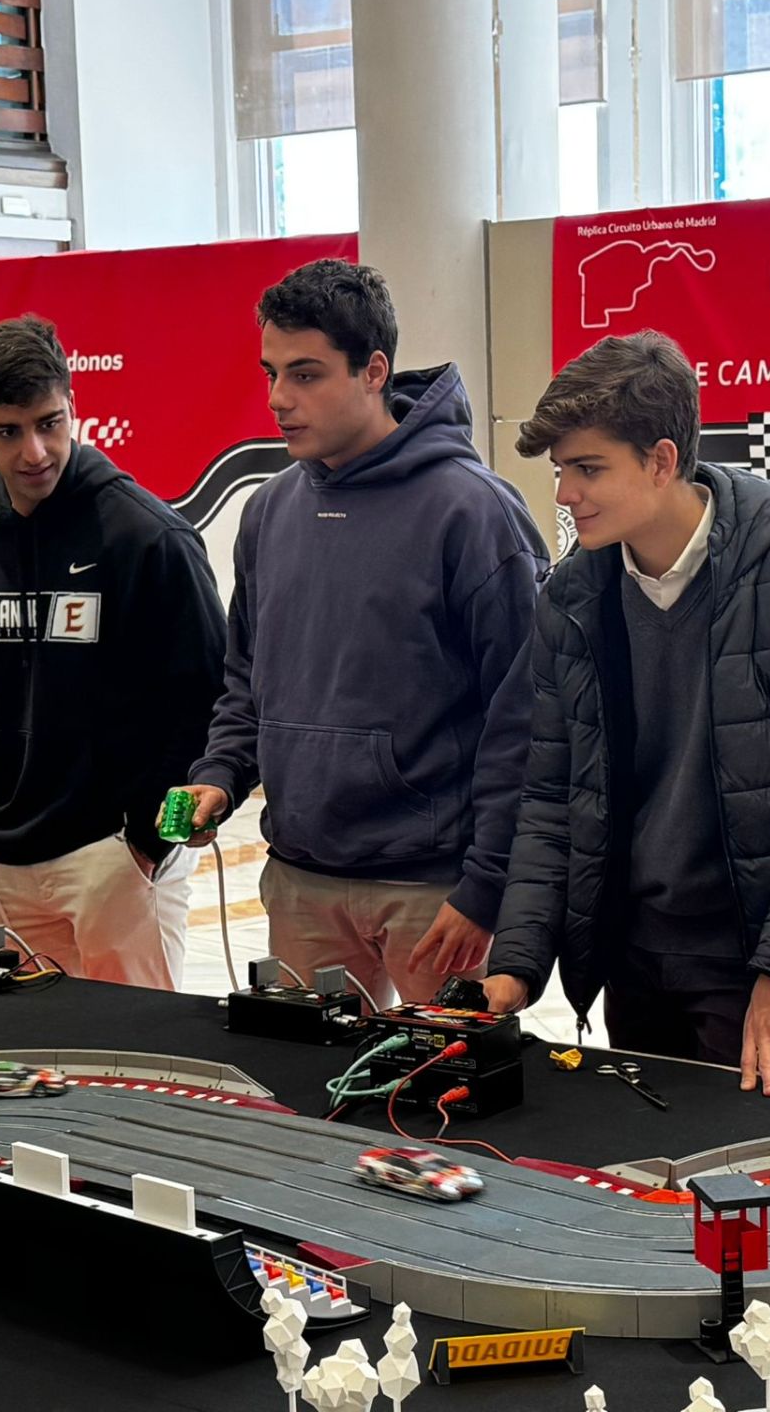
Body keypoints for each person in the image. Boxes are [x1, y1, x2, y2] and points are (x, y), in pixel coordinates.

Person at [483, 331, 770, 1095]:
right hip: (632, 956)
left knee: (740, 1196)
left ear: (660, 460)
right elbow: (552, 799)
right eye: (559, 471)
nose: (563, 495)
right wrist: (516, 965)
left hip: (755, 960)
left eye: (587, 469)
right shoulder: (573, 598)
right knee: (644, 1179)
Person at [167, 259, 547, 1010]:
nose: (280, 399)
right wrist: (219, 775)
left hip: (435, 892)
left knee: (447, 1112)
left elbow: (526, 722)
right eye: (272, 373)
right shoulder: (269, 511)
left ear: (374, 370)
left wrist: (487, 886)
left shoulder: (474, 513)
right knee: (319, 1110)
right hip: (302, 877)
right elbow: (248, 680)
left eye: (307, 375)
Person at [0, 315, 226, 990]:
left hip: (116, 858)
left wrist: (144, 842)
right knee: (33, 1069)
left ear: (75, 408)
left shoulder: (148, 538)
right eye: (8, 432)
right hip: (10, 859)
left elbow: (207, 700)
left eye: (50, 423)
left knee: (139, 1062)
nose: (35, 452)